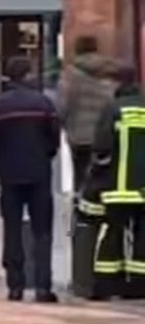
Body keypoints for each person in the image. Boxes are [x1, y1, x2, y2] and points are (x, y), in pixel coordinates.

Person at [0, 56, 61, 302]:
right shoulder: (44, 105)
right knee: (42, 232)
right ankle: (42, 286)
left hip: (9, 174)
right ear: (27, 75)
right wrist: (44, 155)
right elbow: (54, 140)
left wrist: (1, 160)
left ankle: (14, 286)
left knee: (12, 229)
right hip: (39, 173)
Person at [87, 63, 145, 301]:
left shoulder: (113, 109)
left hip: (118, 189)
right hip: (143, 189)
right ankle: (139, 286)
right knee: (143, 236)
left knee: (111, 233)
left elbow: (102, 148)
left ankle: (105, 285)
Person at [58, 35, 115, 200]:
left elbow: (63, 106)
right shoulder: (108, 72)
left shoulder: (70, 75)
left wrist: (62, 125)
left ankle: (82, 210)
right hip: (105, 134)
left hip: (79, 135)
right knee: (104, 174)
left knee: (81, 174)